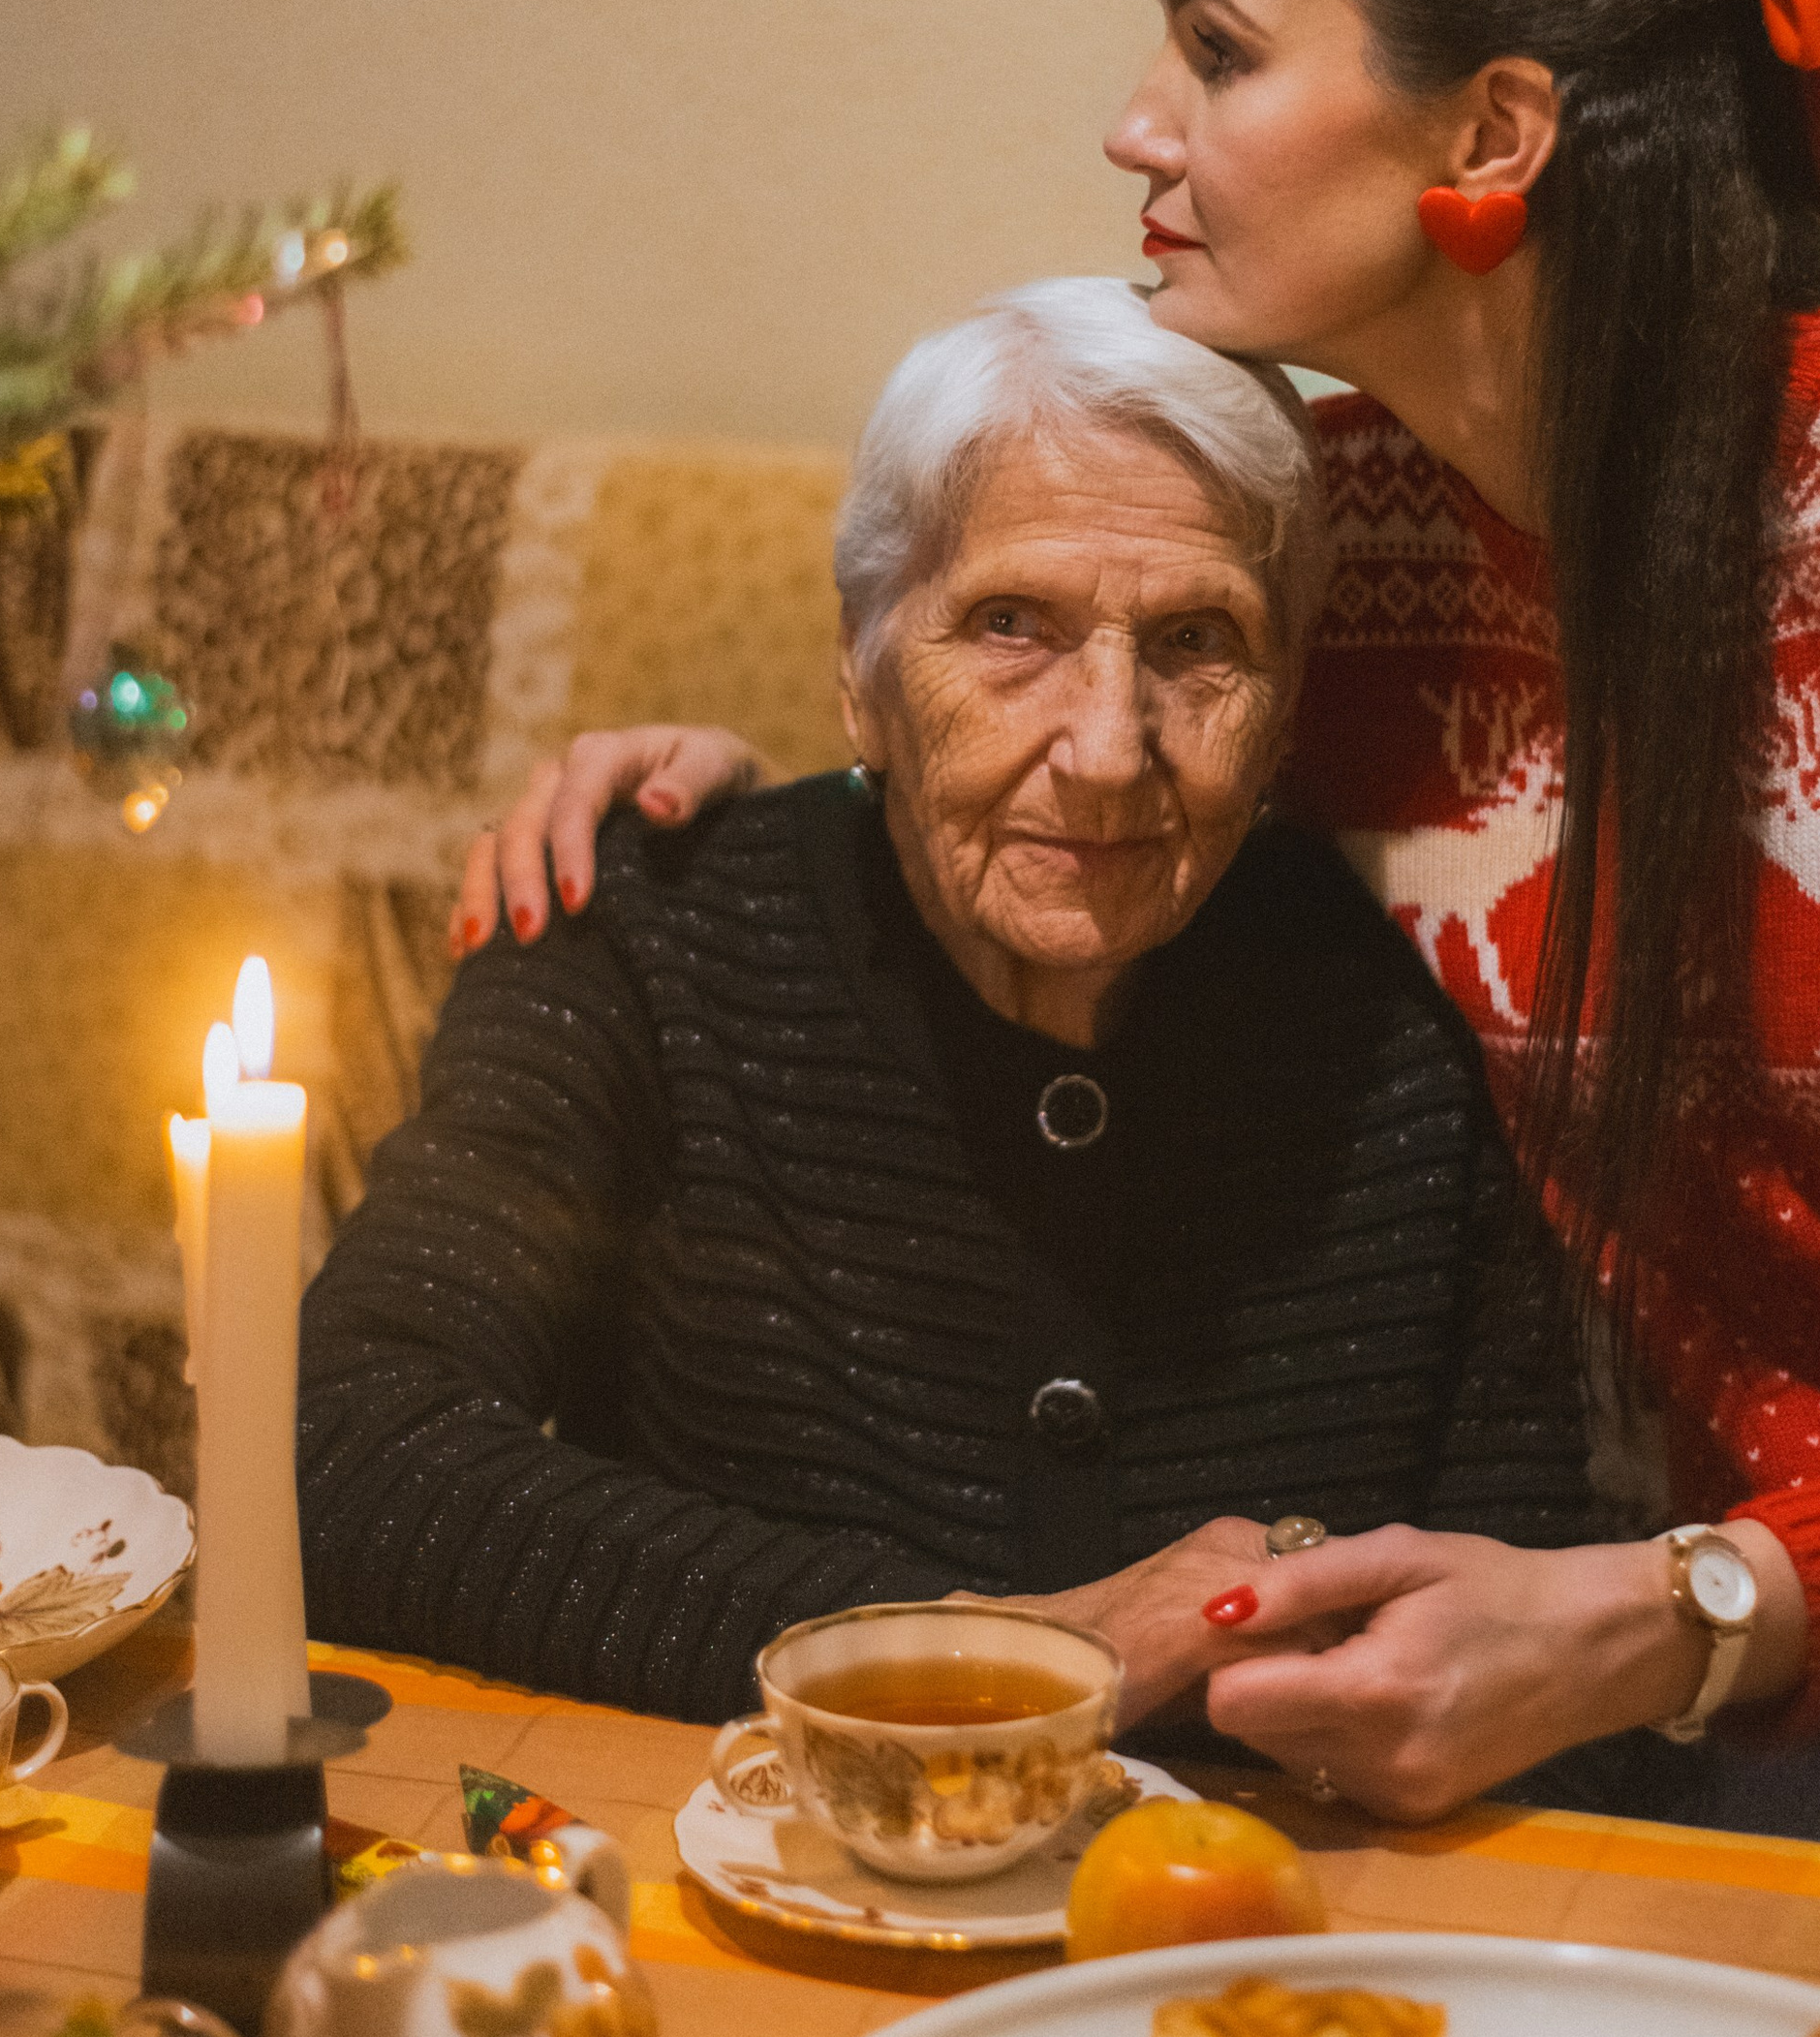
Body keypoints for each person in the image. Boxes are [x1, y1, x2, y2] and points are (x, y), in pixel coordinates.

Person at [461, 0, 1820, 1838]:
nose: (1133, 125)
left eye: (1217, 52)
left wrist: (1659, 1618)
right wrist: (770, 800)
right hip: (1722, 1678)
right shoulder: (1358, 534)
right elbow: (1083, 777)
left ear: (1486, 137)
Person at [297, 280, 1615, 1735]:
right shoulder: (642, 940)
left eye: (1198, 643)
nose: (1110, 749)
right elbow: (348, 1454)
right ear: (861, 672)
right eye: (1010, 625)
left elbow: (1528, 1646)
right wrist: (987, 1653)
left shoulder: (1416, 1014)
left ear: (1289, 699)